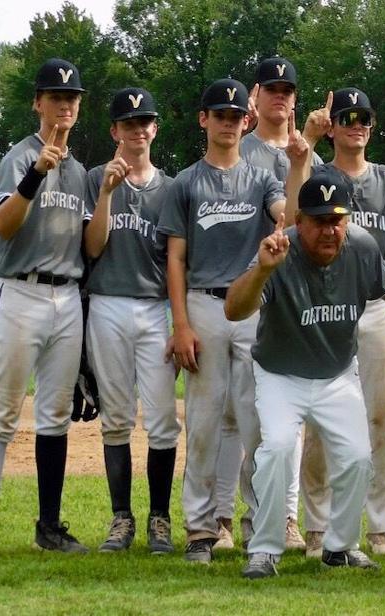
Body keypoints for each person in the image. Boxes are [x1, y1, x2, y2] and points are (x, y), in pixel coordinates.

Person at [226, 168, 385, 579]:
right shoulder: (279, 251)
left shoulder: (362, 248)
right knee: (279, 447)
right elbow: (233, 309)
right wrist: (263, 270)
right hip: (281, 374)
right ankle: (264, 550)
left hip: (336, 373)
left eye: (337, 219)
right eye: (319, 221)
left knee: (356, 457)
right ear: (299, 222)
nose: (329, 230)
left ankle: (340, 545)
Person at [286, 86, 385, 558]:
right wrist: (307, 148)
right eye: (348, 116)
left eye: (365, 117)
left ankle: (379, 527)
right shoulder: (318, 172)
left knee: (379, 419)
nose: (357, 124)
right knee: (317, 422)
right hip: (323, 307)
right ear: (333, 124)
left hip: (375, 306)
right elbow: (294, 215)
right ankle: (318, 526)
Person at [157, 78, 286, 563]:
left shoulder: (261, 178)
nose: (229, 123)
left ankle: (257, 526)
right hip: (204, 305)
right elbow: (175, 258)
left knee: (257, 422)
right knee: (206, 422)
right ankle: (200, 529)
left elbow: (285, 214)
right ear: (204, 119)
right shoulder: (186, 181)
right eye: (221, 115)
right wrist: (181, 324)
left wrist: (299, 160)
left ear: (246, 121)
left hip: (252, 304)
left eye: (236, 116)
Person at [0, 58, 90, 556]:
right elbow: (3, 227)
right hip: (18, 292)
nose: (64, 104)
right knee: (2, 413)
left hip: (66, 297)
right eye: (55, 96)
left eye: (71, 97)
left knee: (54, 414)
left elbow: (91, 246)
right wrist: (33, 176)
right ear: (38, 103)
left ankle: (49, 527)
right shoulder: (18, 156)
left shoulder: (81, 171)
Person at [218, 56, 321, 553]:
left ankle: (284, 518)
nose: (280, 95)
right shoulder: (243, 149)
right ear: (254, 97)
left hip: (296, 298)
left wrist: (308, 154)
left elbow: (311, 224)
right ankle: (237, 515)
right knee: (240, 418)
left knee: (288, 419)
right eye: (271, 87)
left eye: (288, 88)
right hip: (249, 292)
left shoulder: (310, 156)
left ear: (295, 98)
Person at [83, 87, 180, 554]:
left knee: (163, 418)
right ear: (114, 131)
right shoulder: (94, 178)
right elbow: (93, 247)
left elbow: (178, 257)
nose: (138, 129)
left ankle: (159, 518)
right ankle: (121, 518)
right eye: (129, 123)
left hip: (154, 308)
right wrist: (105, 193)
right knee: (117, 418)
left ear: (154, 129)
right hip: (107, 303)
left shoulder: (172, 187)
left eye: (145, 122)